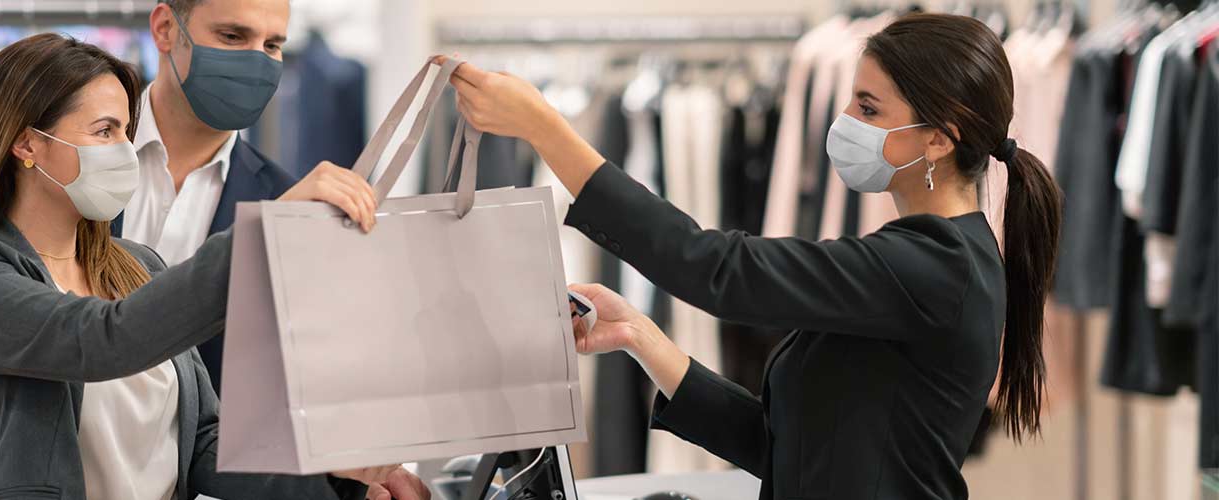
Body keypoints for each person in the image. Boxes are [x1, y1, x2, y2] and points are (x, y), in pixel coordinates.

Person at [443, 12, 1063, 499]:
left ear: (938, 137)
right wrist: (640, 336)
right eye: (852, 100)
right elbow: (783, 448)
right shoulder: (931, 260)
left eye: (869, 108)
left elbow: (716, 268)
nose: (845, 120)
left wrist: (544, 129)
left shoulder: (933, 269)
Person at [0, 1, 421, 498]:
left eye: (125, 130)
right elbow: (102, 339)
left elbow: (202, 440)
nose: (124, 151)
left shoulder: (139, 266)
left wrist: (336, 481)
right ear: (27, 143)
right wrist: (262, 239)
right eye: (105, 131)